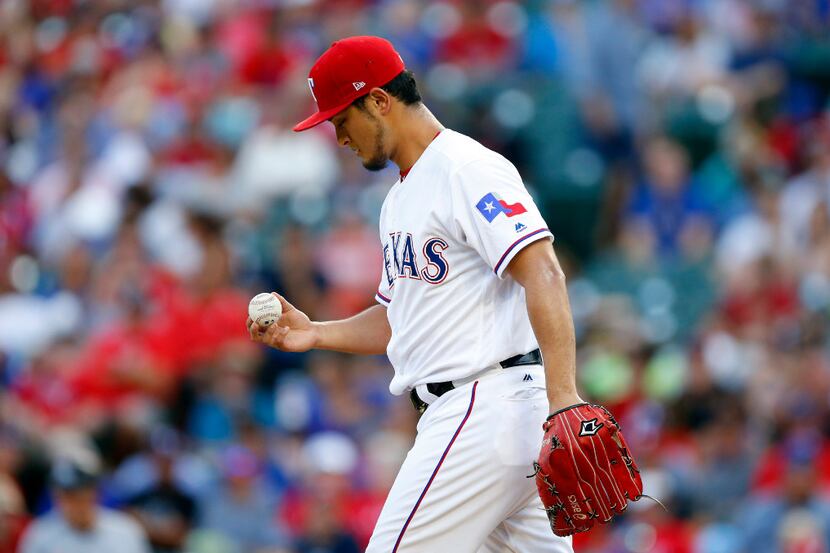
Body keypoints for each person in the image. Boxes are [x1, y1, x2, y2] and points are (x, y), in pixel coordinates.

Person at [248, 36, 577, 552]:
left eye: (341, 119)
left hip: (481, 408)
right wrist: (315, 333)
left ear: (379, 101)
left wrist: (564, 399)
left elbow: (544, 273)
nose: (338, 137)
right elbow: (400, 317)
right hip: (488, 418)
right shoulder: (400, 198)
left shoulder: (466, 168)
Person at [19, 455, 151, 553]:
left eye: (77, 494)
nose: (70, 503)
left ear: (95, 493)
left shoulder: (125, 531)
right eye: (64, 496)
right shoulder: (40, 534)